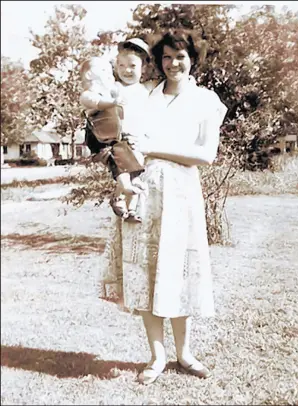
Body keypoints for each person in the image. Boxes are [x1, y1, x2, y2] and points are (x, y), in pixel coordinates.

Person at [98, 30, 227, 385]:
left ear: (193, 60)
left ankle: (185, 354)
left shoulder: (205, 100)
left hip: (182, 193)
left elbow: (206, 154)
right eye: (167, 57)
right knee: (146, 273)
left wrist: (155, 149)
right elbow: (122, 142)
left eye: (181, 56)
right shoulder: (144, 97)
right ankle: (156, 357)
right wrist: (121, 182)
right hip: (142, 191)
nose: (173, 64)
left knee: (178, 272)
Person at [80, 40, 149, 222]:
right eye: (121, 65)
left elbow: (145, 118)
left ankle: (130, 208)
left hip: (135, 138)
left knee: (137, 165)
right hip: (114, 137)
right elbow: (96, 106)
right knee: (124, 165)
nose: (126, 70)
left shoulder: (145, 92)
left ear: (143, 67)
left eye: (132, 66)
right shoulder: (113, 89)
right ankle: (119, 197)